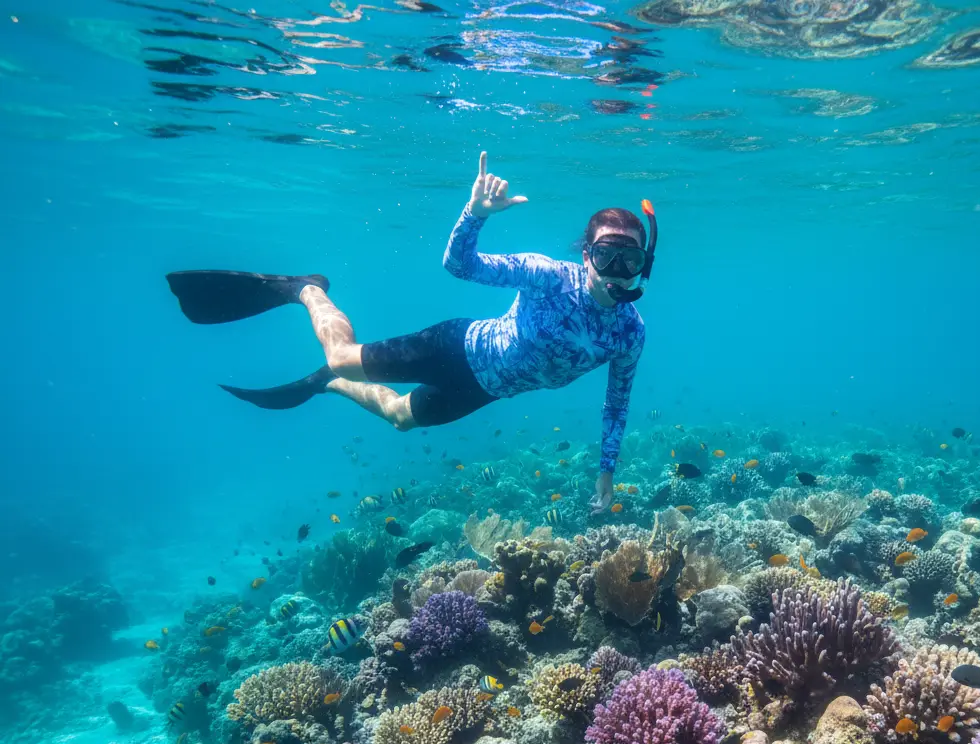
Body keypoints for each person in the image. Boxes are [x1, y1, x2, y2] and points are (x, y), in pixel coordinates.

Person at [166, 151, 656, 512]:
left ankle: (333, 385)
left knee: (400, 418)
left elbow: (617, 405)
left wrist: (606, 472)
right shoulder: (547, 275)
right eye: (604, 255)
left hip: (487, 391)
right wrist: (476, 214)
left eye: (628, 259)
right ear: (585, 255)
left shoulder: (630, 335)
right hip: (456, 347)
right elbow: (458, 265)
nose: (616, 269)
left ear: (642, 266)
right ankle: (307, 290)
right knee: (342, 355)